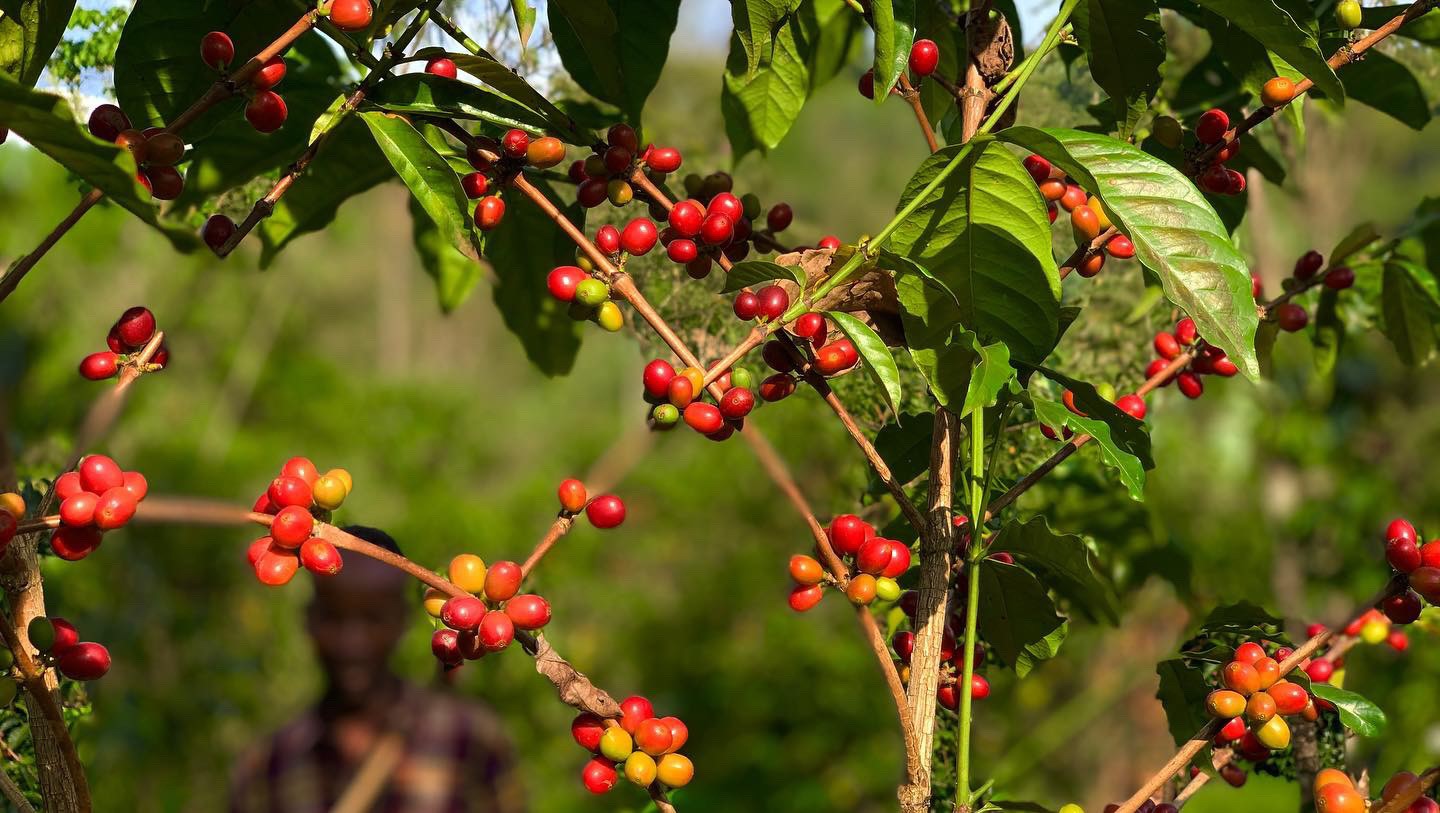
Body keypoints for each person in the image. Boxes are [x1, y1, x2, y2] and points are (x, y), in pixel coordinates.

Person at [230, 526, 524, 812]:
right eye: (334, 617)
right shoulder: (268, 767)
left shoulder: (471, 742)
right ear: (309, 619)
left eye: (373, 618)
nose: (352, 643)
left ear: (402, 619)